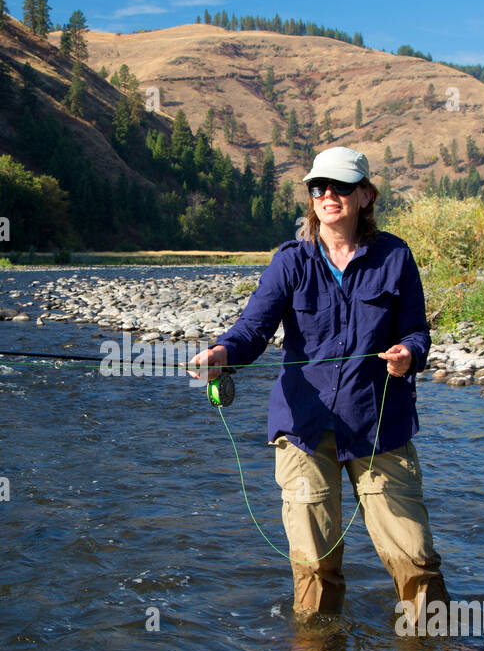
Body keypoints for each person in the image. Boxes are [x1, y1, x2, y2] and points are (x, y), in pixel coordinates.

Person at [189, 146, 450, 625]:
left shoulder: (395, 257)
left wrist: (408, 354)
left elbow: (417, 332)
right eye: (318, 187)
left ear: (365, 195)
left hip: (378, 426)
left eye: (340, 187)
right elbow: (252, 330)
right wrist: (220, 356)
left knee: (413, 554)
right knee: (314, 564)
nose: (328, 195)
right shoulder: (290, 262)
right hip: (304, 428)